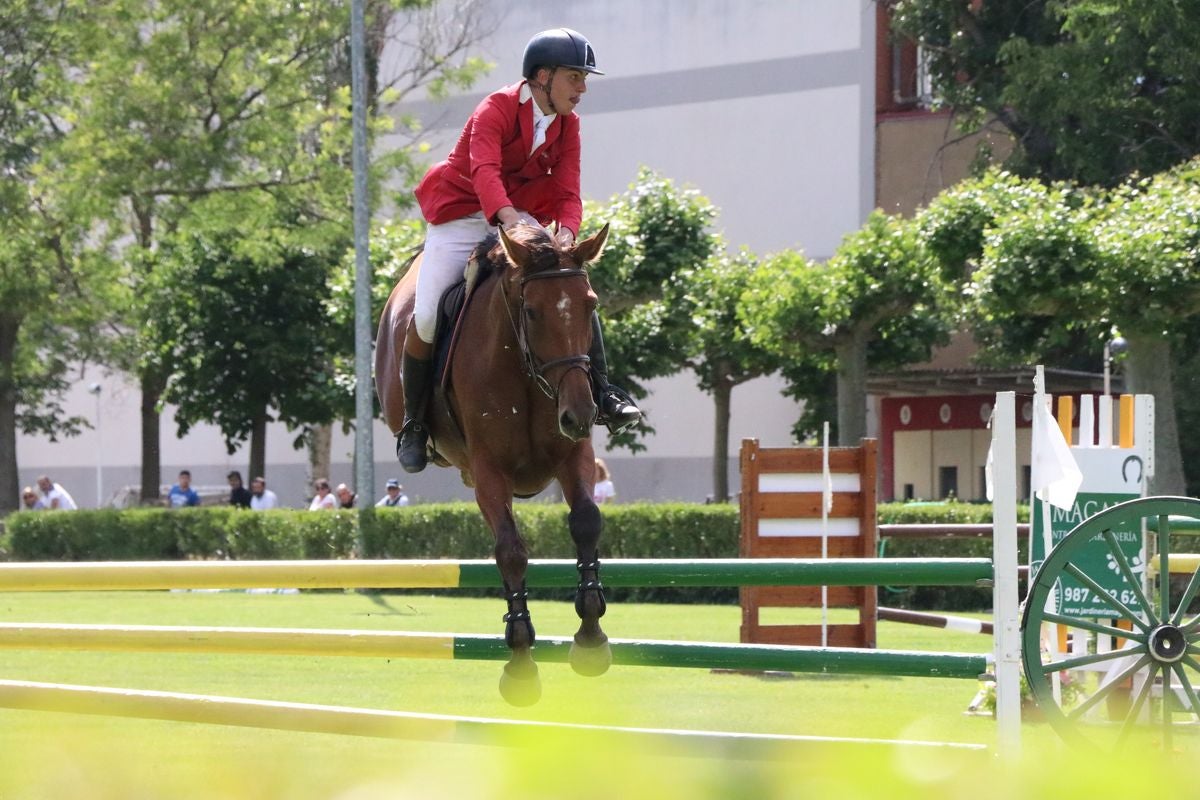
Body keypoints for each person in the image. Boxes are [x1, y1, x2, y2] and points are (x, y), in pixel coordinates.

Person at [396, 27, 641, 474]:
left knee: (570, 292)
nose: (583, 88)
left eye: (584, 78)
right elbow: (485, 171)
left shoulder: (569, 124)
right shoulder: (496, 108)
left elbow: (568, 188)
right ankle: (414, 424)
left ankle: (606, 392)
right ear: (543, 77)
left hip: (520, 219)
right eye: (575, 77)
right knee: (428, 311)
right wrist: (508, 217)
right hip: (462, 217)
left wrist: (566, 233)